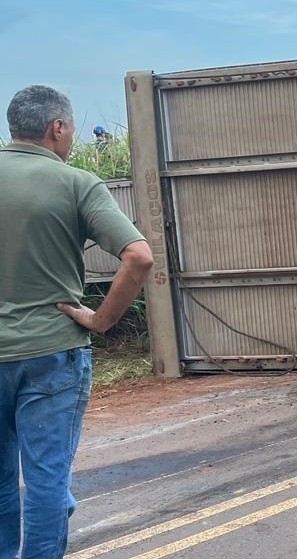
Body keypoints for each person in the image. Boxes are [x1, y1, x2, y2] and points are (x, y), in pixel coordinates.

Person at [1, 85, 153, 558]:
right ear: (58, 127)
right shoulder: (74, 182)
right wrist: (102, 320)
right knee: (46, 480)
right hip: (52, 353)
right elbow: (139, 257)